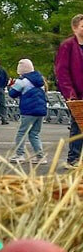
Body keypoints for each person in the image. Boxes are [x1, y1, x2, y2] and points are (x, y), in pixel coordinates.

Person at [55, 13, 83, 170]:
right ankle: (73, 159)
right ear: (75, 28)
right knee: (78, 124)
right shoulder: (68, 46)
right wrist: (70, 94)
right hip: (76, 94)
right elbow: (62, 72)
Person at [7, 59, 48, 164]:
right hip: (41, 110)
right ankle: (40, 156)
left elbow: (12, 94)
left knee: (22, 133)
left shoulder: (22, 81)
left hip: (28, 111)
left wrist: (11, 85)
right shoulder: (41, 81)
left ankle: (19, 155)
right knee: (34, 134)